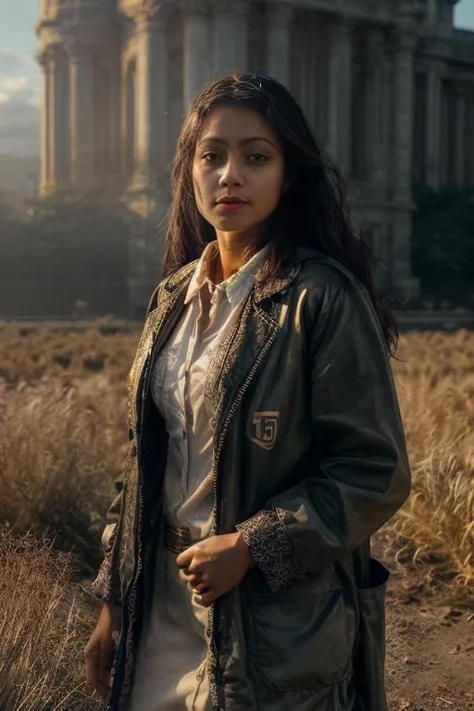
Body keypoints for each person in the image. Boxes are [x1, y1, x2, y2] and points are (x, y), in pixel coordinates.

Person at [84, 73, 411, 711]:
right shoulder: (173, 297)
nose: (231, 175)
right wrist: (115, 603)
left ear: (288, 174)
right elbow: (140, 467)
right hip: (161, 608)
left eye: (256, 157)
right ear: (191, 171)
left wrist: (252, 546)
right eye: (213, 156)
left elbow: (375, 471)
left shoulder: (323, 299)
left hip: (275, 621)